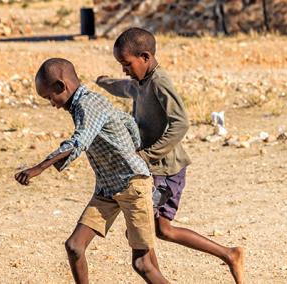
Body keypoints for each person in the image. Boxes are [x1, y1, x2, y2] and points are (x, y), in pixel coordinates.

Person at [96, 27, 245, 284]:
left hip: (166, 169)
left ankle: (223, 256)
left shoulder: (159, 82)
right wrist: (101, 82)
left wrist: (148, 155)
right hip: (155, 169)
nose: (124, 69)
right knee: (159, 230)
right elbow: (124, 87)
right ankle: (229, 254)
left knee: (141, 231)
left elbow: (181, 123)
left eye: (126, 63)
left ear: (145, 57)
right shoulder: (140, 82)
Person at [15, 58, 167, 283]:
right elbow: (127, 121)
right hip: (107, 189)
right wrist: (133, 147)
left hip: (132, 185)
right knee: (74, 247)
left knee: (142, 263)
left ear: (61, 86)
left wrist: (39, 168)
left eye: (50, 97)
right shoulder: (85, 104)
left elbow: (79, 142)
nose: (52, 104)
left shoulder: (88, 104)